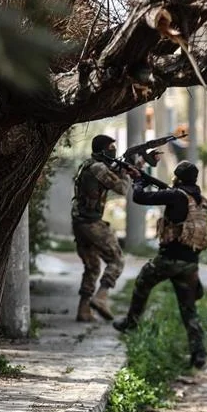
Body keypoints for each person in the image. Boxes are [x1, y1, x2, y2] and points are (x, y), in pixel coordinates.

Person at [112, 161, 207, 369]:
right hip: (190, 263)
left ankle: (131, 322)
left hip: (169, 259)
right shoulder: (199, 199)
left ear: (178, 178)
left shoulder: (176, 195)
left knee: (142, 281)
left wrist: (138, 180)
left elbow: (139, 197)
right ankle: (199, 354)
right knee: (189, 309)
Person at [71, 135, 136, 323]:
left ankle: (83, 311)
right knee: (117, 260)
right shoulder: (98, 168)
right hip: (91, 223)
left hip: (79, 221)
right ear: (102, 149)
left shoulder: (88, 164)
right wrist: (127, 172)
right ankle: (101, 297)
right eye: (110, 147)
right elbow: (122, 188)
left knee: (92, 266)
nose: (113, 150)